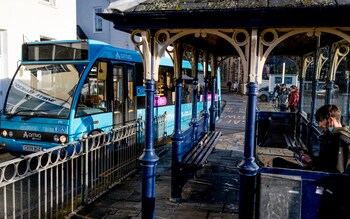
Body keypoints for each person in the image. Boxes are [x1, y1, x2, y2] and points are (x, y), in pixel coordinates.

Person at [300, 104, 350, 173]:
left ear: (330, 120)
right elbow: (328, 160)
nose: (319, 125)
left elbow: (338, 170)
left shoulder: (341, 140)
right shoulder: (333, 136)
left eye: (321, 121)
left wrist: (313, 163)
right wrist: (312, 159)